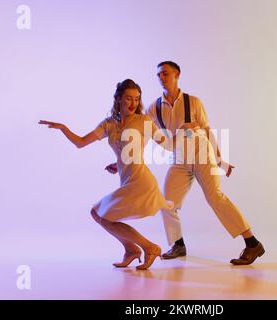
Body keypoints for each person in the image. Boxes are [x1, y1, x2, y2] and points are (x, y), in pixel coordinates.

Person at [106, 62, 265, 265]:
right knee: (167, 202)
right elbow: (141, 134)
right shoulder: (154, 107)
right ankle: (178, 245)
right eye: (158, 75)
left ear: (176, 75)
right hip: (179, 157)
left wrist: (218, 159)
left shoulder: (193, 102)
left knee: (215, 197)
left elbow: (207, 130)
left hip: (201, 154)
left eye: (165, 74)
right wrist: (121, 159)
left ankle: (252, 243)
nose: (161, 78)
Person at [39, 79, 180, 270]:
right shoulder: (109, 124)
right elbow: (80, 142)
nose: (133, 103)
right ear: (118, 99)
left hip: (141, 181)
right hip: (127, 180)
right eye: (128, 98)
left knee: (103, 216)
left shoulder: (144, 121)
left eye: (137, 99)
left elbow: (167, 144)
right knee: (97, 214)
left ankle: (149, 247)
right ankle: (131, 249)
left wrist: (185, 133)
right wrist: (64, 128)